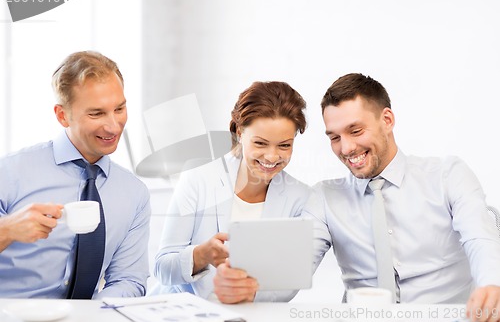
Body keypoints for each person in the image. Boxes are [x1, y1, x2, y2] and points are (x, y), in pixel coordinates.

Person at [214, 73, 500, 320]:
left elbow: (480, 238)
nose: (347, 147)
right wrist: (250, 288)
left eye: (356, 130)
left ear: (387, 119)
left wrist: (492, 285)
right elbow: (294, 270)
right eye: (334, 137)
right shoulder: (324, 198)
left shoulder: (447, 175)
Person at [0, 51, 151, 299]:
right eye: (96, 113)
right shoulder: (9, 173)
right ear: (62, 115)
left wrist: (93, 315)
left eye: (120, 108)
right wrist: (7, 230)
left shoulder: (134, 193)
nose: (114, 126)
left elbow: (129, 280)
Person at [153, 81, 310, 301]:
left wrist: (249, 292)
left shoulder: (300, 198)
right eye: (261, 143)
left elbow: (288, 282)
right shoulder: (197, 179)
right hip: (185, 312)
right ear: (239, 131)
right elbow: (161, 267)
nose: (272, 157)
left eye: (284, 145)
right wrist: (200, 255)